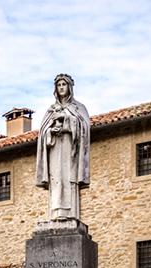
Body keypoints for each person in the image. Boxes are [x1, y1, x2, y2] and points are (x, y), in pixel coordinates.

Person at [35, 74, 90, 220]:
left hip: (70, 151)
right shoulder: (51, 110)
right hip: (54, 149)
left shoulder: (78, 108)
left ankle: (71, 214)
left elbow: (84, 127)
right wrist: (50, 132)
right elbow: (42, 132)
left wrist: (66, 121)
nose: (61, 88)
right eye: (58, 85)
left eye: (63, 85)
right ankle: (55, 214)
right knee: (56, 178)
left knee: (68, 178)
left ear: (70, 87)